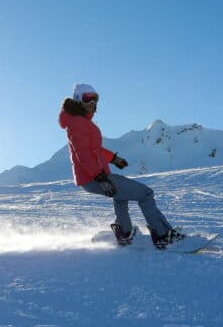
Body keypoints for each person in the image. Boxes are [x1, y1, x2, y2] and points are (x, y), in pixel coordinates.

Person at [58, 83, 184, 249]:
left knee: (121, 195)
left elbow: (95, 149)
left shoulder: (81, 122)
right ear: (77, 100)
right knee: (145, 194)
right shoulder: (78, 122)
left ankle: (125, 233)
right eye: (87, 98)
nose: (92, 102)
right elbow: (83, 153)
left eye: (95, 98)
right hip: (94, 177)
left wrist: (113, 158)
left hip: (95, 176)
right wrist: (100, 177)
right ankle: (163, 235)